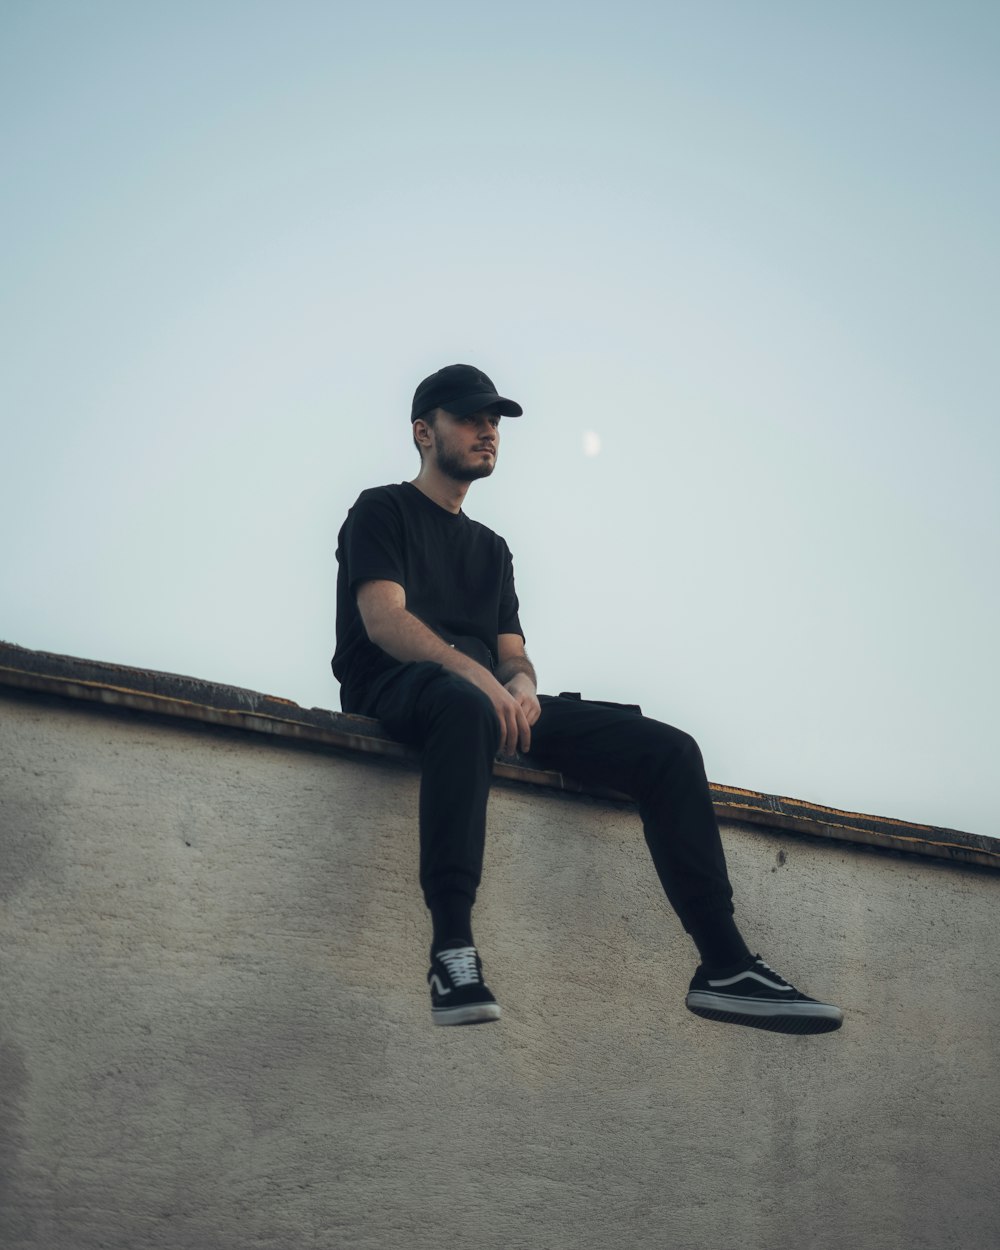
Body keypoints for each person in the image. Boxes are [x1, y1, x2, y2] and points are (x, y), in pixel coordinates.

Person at [332, 363, 844, 1035]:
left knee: (665, 750)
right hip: (398, 690)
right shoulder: (382, 509)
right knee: (461, 704)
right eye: (470, 418)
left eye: (495, 421)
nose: (488, 431)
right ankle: (452, 948)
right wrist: (483, 683)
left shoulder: (492, 549)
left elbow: (512, 650)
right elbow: (385, 620)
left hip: (485, 704)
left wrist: (519, 685)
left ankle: (725, 965)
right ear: (424, 432)